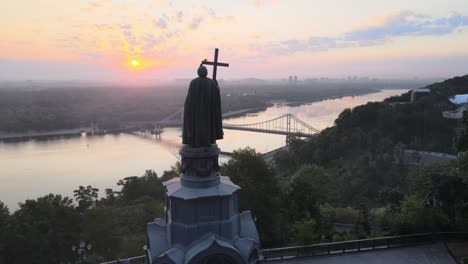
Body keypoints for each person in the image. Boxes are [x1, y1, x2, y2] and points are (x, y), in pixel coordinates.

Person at [182, 65, 223, 147]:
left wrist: (188, 109)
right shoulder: (211, 82)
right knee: (208, 125)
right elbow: (216, 97)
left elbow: (189, 100)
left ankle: (196, 141)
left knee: (196, 126)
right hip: (208, 111)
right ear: (206, 72)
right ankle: (208, 141)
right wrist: (216, 86)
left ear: (198, 73)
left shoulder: (193, 82)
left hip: (196, 112)